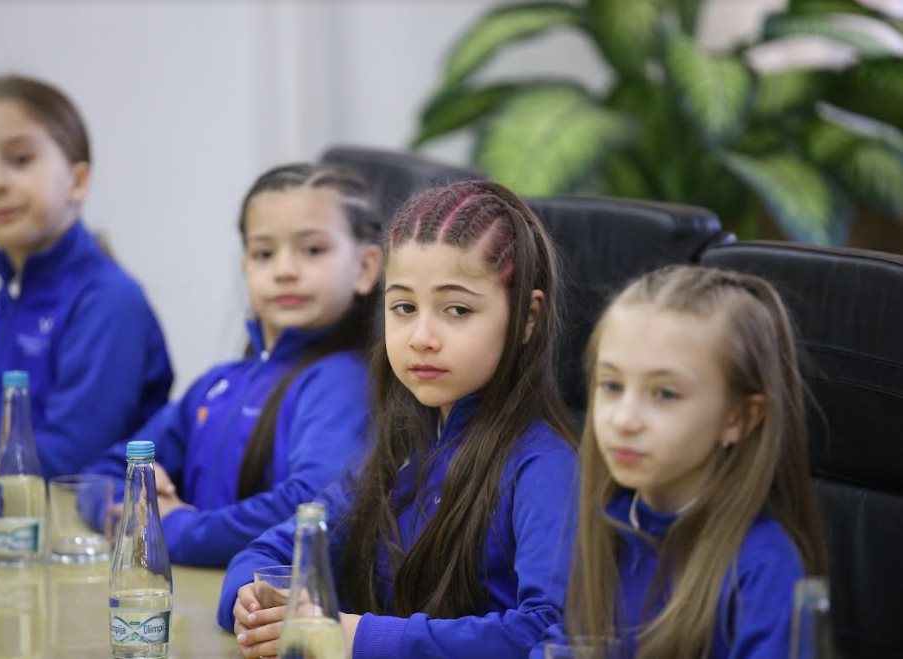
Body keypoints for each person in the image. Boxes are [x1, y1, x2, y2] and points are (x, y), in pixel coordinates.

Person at [218, 180, 581, 659]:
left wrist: (354, 635)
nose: (421, 337)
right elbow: (271, 551)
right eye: (404, 307)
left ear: (528, 318)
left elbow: (548, 633)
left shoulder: (545, 466)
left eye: (457, 310)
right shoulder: (401, 447)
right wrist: (253, 600)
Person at [84, 163, 383, 567]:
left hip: (253, 603)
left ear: (365, 267)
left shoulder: (343, 383)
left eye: (313, 250)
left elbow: (313, 507)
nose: (284, 271)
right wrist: (133, 501)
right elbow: (103, 473)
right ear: (246, 266)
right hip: (185, 594)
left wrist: (173, 529)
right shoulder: (218, 384)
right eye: (264, 253)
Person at [536, 265, 827, 659]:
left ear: (738, 418)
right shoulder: (603, 526)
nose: (624, 420)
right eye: (612, 385)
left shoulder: (764, 570)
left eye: (665, 394)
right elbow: (562, 639)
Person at [0, 74, 173, 491]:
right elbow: (23, 410)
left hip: (86, 526)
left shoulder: (108, 300)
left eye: (20, 159)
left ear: (77, 181)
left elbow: (67, 461)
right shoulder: (13, 292)